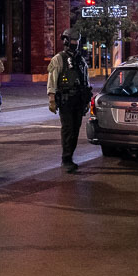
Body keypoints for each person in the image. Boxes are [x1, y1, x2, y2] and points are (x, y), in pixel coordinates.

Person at [47, 31, 91, 172]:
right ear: (66, 41)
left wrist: (87, 101)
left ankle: (70, 156)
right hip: (66, 99)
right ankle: (66, 159)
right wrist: (52, 99)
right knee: (68, 129)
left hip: (79, 100)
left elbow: (85, 79)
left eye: (76, 41)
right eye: (72, 41)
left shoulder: (81, 60)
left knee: (75, 129)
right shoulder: (58, 59)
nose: (75, 44)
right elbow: (52, 80)